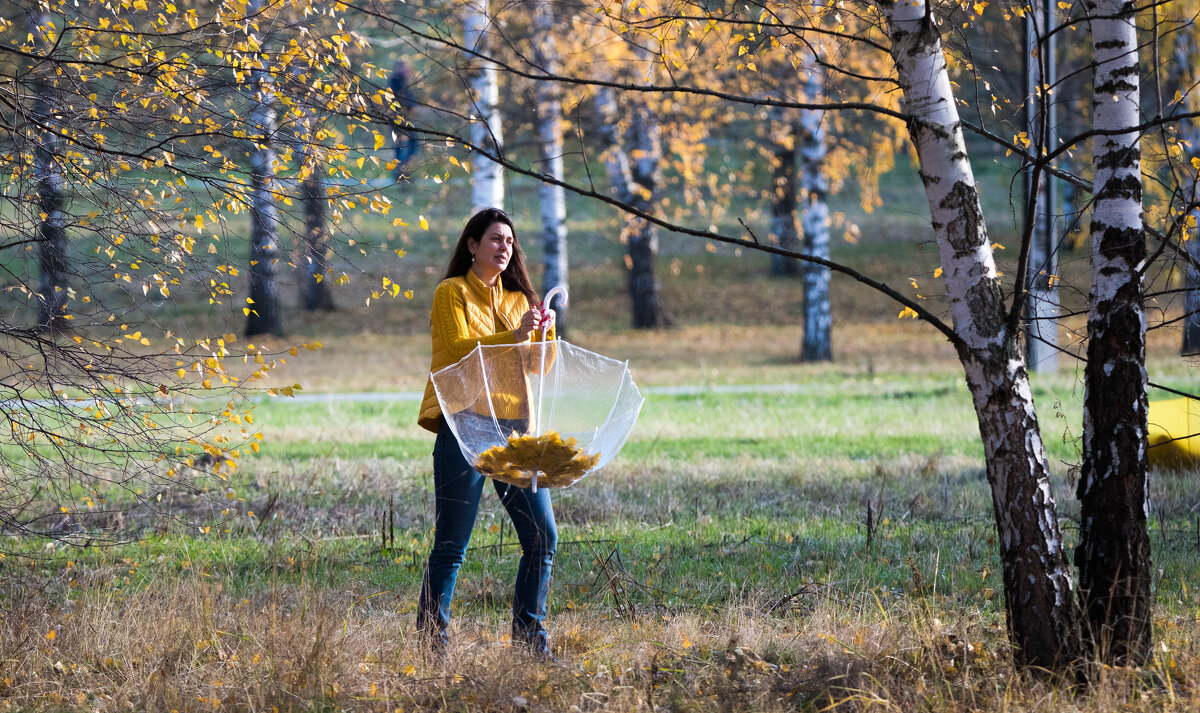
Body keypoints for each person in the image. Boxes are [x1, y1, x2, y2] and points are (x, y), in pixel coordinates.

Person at [416, 207, 558, 658]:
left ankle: (529, 639)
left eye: (510, 241)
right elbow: (454, 355)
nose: (504, 247)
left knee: (542, 536)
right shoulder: (450, 293)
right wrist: (514, 336)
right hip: (464, 425)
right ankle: (430, 643)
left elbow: (538, 368)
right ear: (472, 245)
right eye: (495, 239)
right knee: (453, 543)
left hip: (514, 429)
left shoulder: (521, 299)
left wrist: (543, 337)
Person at [390, 59, 419, 176]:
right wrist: (412, 107)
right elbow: (403, 99)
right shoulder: (397, 81)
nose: (407, 71)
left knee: (401, 146)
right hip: (399, 119)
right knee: (408, 144)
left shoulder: (400, 81)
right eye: (404, 68)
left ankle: (402, 172)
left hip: (399, 118)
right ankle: (402, 172)